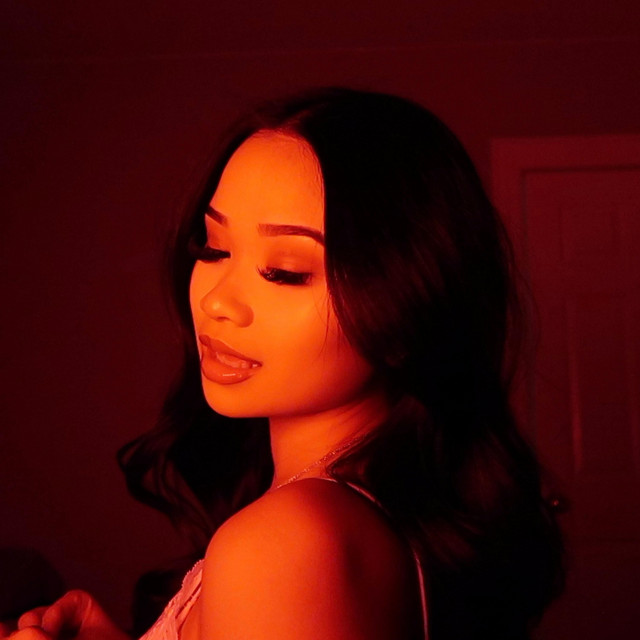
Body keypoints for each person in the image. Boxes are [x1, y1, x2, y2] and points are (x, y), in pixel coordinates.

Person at [5, 87, 563, 640]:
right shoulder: (356, 518)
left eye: (285, 272)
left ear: (407, 305)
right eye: (214, 248)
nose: (217, 301)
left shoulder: (285, 541)